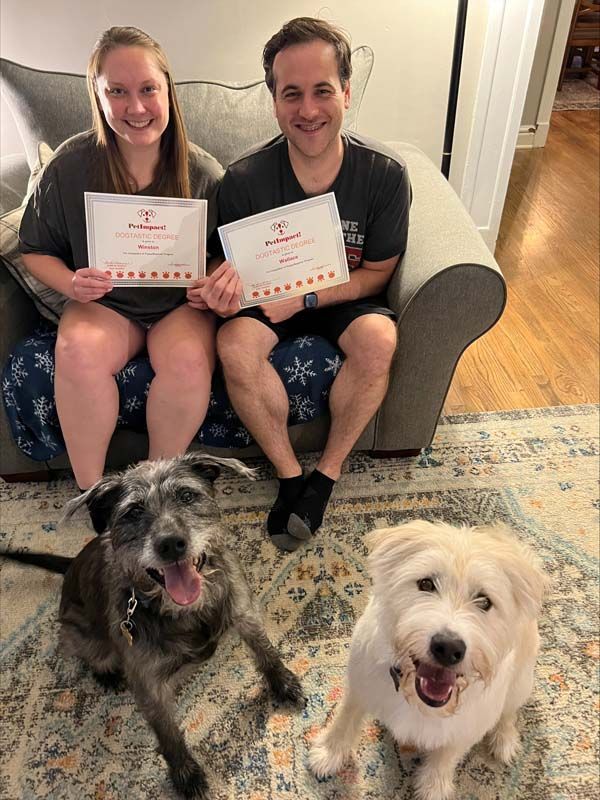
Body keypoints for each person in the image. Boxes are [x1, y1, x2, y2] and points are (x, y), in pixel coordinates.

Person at [193, 17, 411, 551]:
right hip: (268, 298)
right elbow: (221, 273)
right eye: (292, 94)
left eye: (322, 91)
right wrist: (214, 291)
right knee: (233, 344)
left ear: (346, 92)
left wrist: (308, 298)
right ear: (274, 101)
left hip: (340, 295)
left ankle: (326, 478)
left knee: (380, 340)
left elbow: (378, 272)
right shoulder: (242, 181)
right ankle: (291, 477)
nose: (308, 110)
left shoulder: (384, 176)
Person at [19, 26, 223, 493]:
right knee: (76, 350)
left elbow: (228, 257)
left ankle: (155, 494)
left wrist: (211, 280)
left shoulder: (206, 173)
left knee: (190, 362)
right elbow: (33, 249)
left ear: (168, 90)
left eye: (148, 89)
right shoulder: (70, 166)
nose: (136, 107)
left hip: (178, 309)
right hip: (106, 306)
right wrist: (72, 284)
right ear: (98, 95)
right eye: (117, 91)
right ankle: (96, 496)